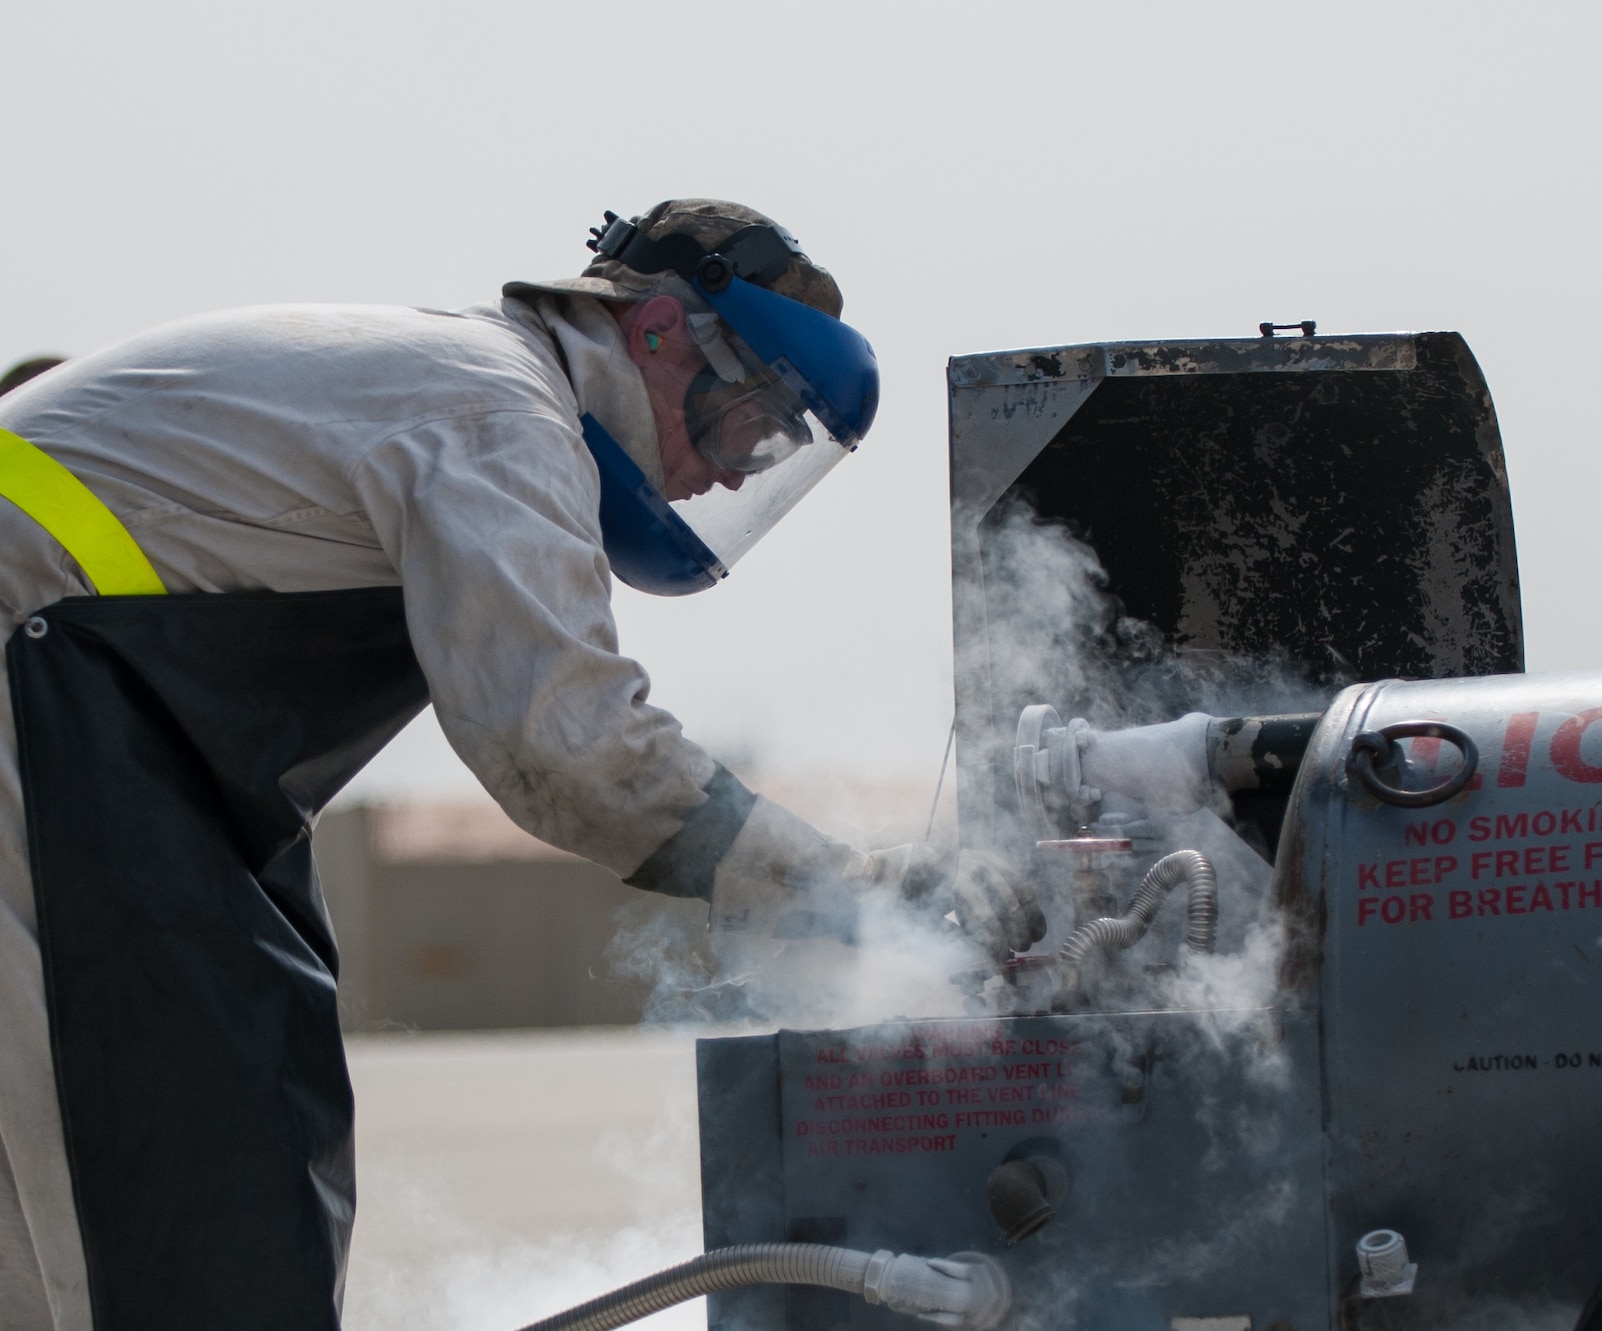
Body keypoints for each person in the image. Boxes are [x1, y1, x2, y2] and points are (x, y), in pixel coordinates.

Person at [0, 198, 1044, 1331]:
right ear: (654, 330)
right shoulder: (499, 413)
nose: (737, 474)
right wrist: (849, 890)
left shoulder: (450, 376)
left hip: (96, 723)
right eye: (747, 421)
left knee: (200, 1127)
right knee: (178, 1186)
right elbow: (567, 743)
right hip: (46, 711)